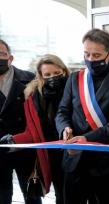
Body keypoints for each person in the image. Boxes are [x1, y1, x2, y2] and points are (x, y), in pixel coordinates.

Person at [55, 28, 109, 204]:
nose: (90, 60)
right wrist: (64, 129)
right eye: (87, 54)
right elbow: (62, 111)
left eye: (96, 55)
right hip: (73, 158)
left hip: (104, 163)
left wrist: (86, 139)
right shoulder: (75, 78)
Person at [2, 54, 70, 204]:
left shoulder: (74, 92)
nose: (52, 77)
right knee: (60, 195)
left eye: (57, 73)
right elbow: (33, 132)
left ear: (64, 71)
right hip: (50, 155)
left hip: (74, 152)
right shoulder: (33, 98)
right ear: (40, 76)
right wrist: (14, 140)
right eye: (47, 74)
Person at [0, 39, 40, 204]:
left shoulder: (29, 79)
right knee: (2, 197)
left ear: (11, 58)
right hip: (0, 150)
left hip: (25, 149)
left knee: (32, 196)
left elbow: (39, 115)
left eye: (2, 54)